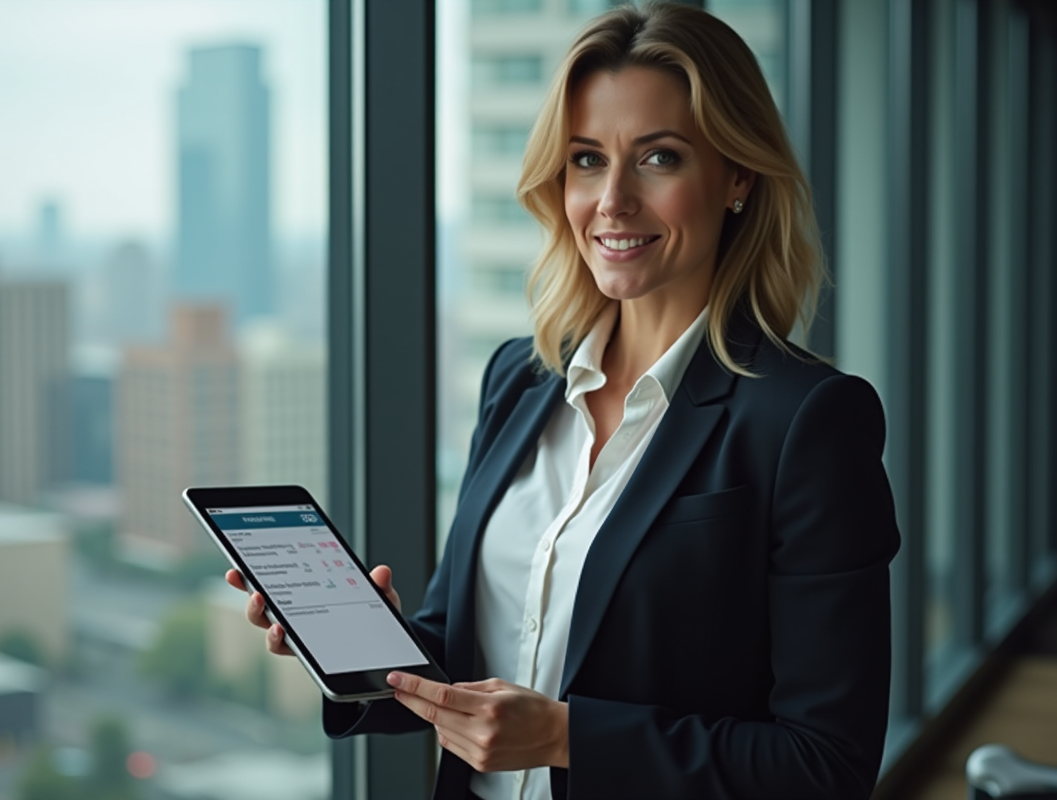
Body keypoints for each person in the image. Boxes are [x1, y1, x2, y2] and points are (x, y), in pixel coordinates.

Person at [227, 3, 901, 798]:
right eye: (586, 160)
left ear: (738, 178)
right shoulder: (518, 380)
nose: (611, 200)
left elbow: (827, 766)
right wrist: (359, 648)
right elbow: (476, 651)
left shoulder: (807, 422)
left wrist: (564, 736)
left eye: (658, 158)